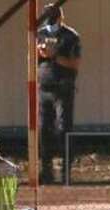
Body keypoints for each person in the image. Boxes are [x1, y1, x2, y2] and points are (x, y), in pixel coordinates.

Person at [37, 3, 81, 184]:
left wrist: (54, 55)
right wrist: (41, 52)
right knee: (44, 130)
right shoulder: (40, 34)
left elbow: (74, 63)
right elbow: (34, 58)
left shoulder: (71, 37)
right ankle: (46, 170)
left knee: (64, 129)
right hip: (45, 86)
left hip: (63, 87)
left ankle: (65, 172)